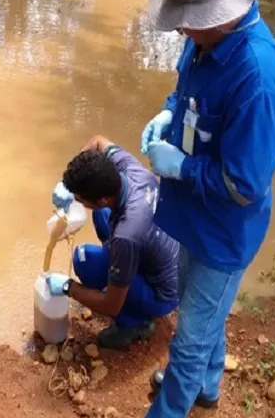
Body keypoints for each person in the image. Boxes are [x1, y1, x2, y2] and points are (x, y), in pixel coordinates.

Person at [136, 0, 275, 418]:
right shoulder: (204, 38)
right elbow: (187, 92)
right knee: (202, 308)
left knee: (188, 338)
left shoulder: (257, 76)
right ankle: (207, 387)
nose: (181, 28)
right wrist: (169, 111)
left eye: (188, 19)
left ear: (217, 11)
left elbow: (245, 185)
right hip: (193, 213)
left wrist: (181, 167)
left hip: (225, 228)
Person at [45, 135, 180, 349]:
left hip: (163, 295)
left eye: (79, 199)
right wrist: (66, 184)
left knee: (84, 259)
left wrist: (67, 287)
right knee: (102, 215)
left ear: (101, 199)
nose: (77, 201)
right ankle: (121, 275)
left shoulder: (126, 236)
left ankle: (134, 324)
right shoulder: (131, 171)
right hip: (164, 257)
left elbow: (111, 305)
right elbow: (98, 141)